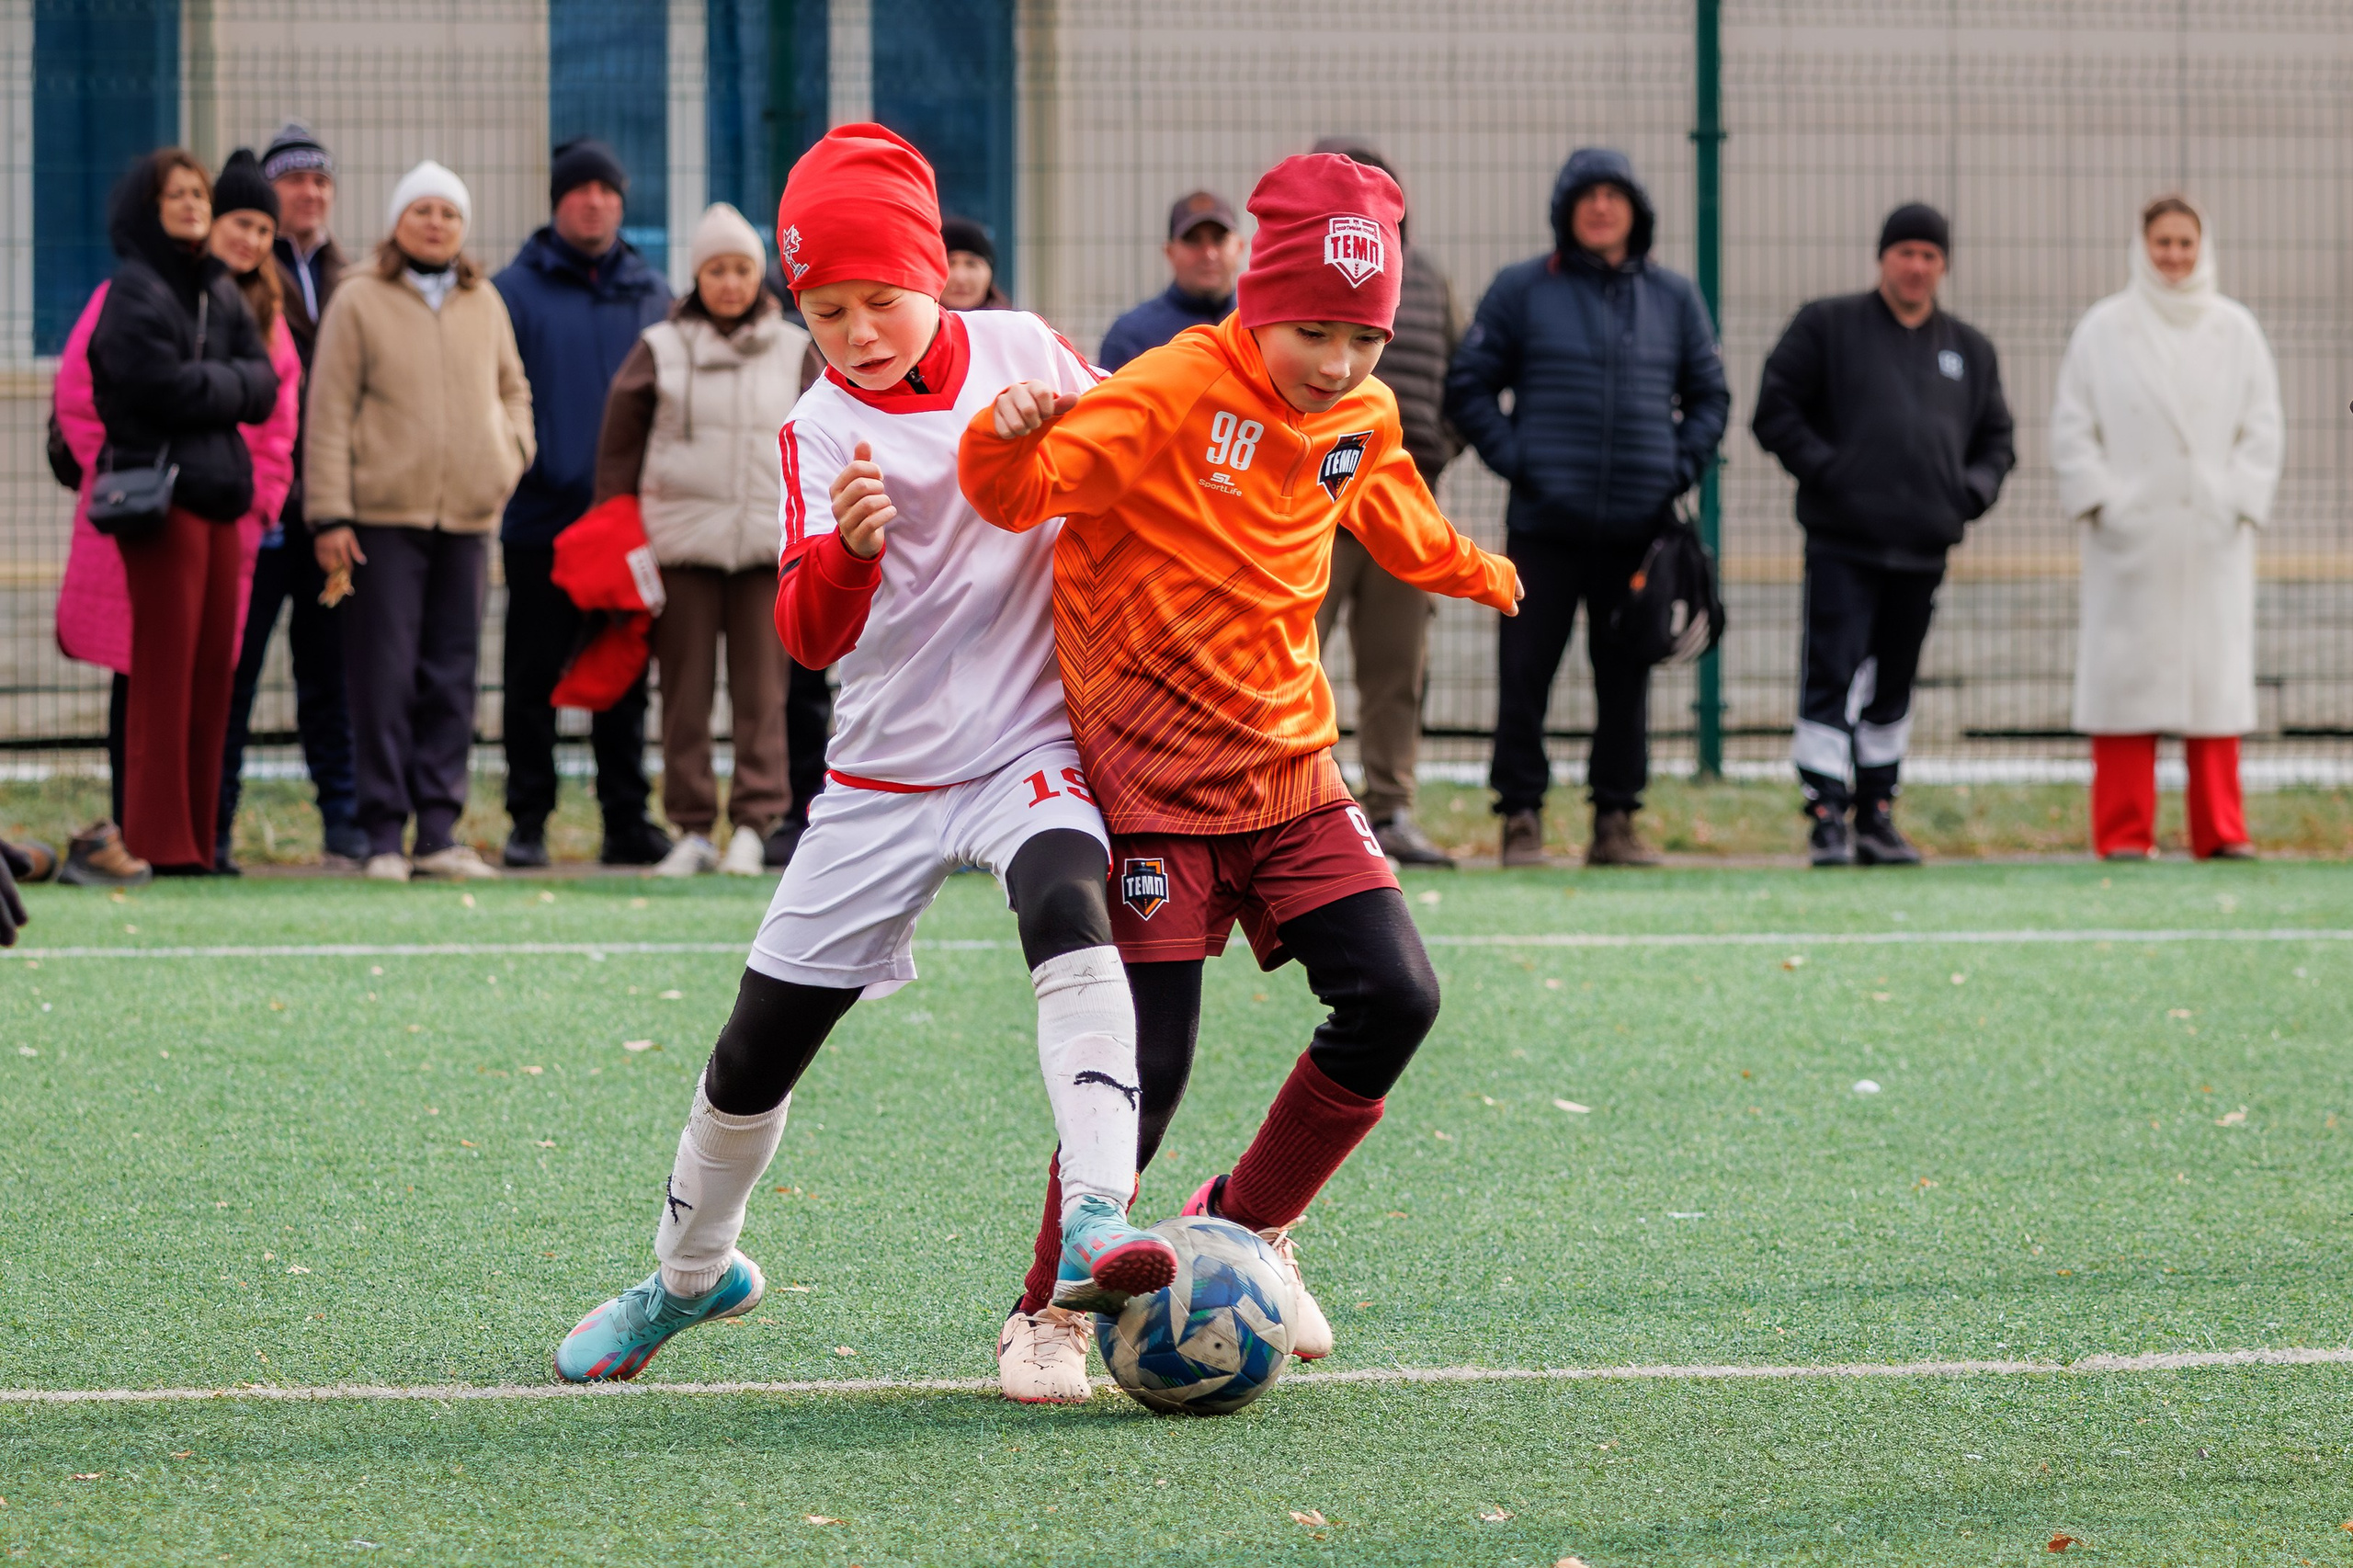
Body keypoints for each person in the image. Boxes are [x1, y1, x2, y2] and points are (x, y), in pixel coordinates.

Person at [553, 124, 1175, 1397]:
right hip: (881, 782)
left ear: (934, 271)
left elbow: (1144, 445)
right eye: (825, 310)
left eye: (879, 299)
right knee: (753, 1054)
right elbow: (806, 634)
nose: (856, 332)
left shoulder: (1025, 348)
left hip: (1027, 745)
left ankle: (1096, 1215)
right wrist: (844, 553)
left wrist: (1075, 429)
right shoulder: (818, 426)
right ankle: (687, 1274)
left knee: (1069, 904)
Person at [962, 153, 1521, 1376]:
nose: (1337, 362)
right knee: (1147, 1068)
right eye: (1313, 331)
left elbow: (1394, 510)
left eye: (1363, 338)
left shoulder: (1360, 414)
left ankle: (1248, 1226)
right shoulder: (1170, 389)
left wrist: (1474, 567)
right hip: (1154, 786)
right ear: (1257, 306)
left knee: (1398, 994)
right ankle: (1046, 1310)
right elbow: (1024, 491)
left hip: (1291, 770)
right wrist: (999, 444)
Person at [1446, 148, 1730, 869]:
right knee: (1525, 674)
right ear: (1566, 211)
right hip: (1542, 528)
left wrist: (1674, 469)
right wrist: (1521, 462)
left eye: (1614, 194)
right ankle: (1520, 818)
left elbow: (1710, 397)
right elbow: (1470, 386)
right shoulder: (1521, 290)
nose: (1601, 207)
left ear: (1636, 211)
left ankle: (1616, 821)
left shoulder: (1674, 298)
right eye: (1587, 195)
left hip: (1639, 532)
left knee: (1627, 679)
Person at [1753, 203, 2016, 867]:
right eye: (1906, 253)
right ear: (1883, 257)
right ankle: (1825, 813)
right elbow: (1775, 410)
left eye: (1930, 255)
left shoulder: (1969, 350)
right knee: (1832, 674)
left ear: (1943, 265)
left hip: (1923, 548)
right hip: (1843, 542)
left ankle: (1876, 811)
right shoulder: (1827, 326)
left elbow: (1998, 440)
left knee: (1894, 683)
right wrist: (1831, 473)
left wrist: (1966, 494)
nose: (1917, 266)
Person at [305, 161, 534, 881]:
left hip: (467, 519)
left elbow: (514, 390)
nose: (436, 223)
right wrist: (330, 513)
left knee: (452, 677)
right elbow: (328, 409)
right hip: (379, 520)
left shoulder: (484, 301)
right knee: (383, 676)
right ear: (397, 222)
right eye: (422, 211)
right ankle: (382, 834)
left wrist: (508, 455)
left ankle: (437, 831)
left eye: (449, 213)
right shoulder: (358, 298)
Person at [2050, 196, 2280, 861]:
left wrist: (2233, 498)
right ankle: (2123, 831)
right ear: (2142, 246)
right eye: (2162, 242)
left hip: (2211, 538)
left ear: (2202, 247)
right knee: (2126, 686)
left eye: (2184, 242)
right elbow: (2072, 426)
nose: (2173, 255)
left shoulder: (2236, 330)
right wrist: (2105, 502)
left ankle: (2222, 829)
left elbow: (2263, 427)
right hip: (2131, 541)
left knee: (2214, 687)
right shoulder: (2104, 329)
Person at [593, 202, 812, 877]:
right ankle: (690, 828)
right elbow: (619, 453)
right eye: (716, 270)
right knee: (683, 696)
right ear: (696, 277)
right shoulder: (659, 347)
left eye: (742, 268)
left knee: (762, 697)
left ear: (759, 275)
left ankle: (753, 823)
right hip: (680, 549)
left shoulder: (796, 348)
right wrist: (617, 533)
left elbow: (823, 441)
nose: (730, 283)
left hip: (764, 548)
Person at [85, 148, 280, 874]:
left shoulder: (221, 289)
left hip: (221, 497)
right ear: (150, 207)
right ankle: (156, 841)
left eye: (201, 193)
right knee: (164, 673)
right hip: (161, 502)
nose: (196, 204)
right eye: (179, 195)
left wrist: (214, 383)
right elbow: (153, 386)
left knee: (211, 676)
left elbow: (265, 386)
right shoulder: (134, 289)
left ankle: (198, 842)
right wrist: (227, 384)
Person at [494, 139, 673, 869]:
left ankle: (626, 820)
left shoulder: (652, 294)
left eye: (607, 189)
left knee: (622, 673)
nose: (594, 201)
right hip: (540, 520)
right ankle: (528, 821)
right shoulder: (512, 292)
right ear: (557, 201)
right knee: (531, 678)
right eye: (580, 189)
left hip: (626, 525)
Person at [213, 120, 364, 869]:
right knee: (234, 673)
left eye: (321, 180)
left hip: (329, 511)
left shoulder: (351, 280)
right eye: (296, 179)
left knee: (331, 675)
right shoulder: (240, 277)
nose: (311, 193)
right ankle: (215, 823)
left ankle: (345, 822)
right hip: (258, 509)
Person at [1308, 138, 1462, 868]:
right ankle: (1295, 806)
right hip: (1312, 508)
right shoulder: (1293, 277)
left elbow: (1462, 381)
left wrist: (1428, 453)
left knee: (1398, 667)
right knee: (1289, 656)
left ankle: (1392, 809)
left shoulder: (1428, 282)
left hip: (1403, 506)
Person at [1096, 189, 1244, 371]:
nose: (1208, 254)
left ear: (1240, 247)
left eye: (1219, 239)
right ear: (1169, 252)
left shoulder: (1259, 326)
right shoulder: (1131, 335)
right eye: (1193, 240)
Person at [939, 217, 1010, 311]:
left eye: (971, 264)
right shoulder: (918, 320)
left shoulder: (1012, 320)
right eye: (949, 263)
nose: (960, 278)